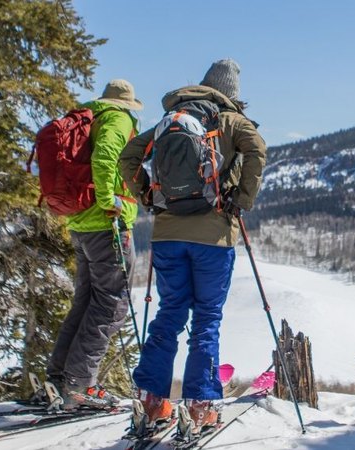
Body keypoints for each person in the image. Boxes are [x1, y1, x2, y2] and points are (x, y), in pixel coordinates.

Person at [119, 59, 266, 432]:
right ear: (232, 93)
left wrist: (149, 199)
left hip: (167, 235)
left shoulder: (172, 118)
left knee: (168, 315)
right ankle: (200, 407)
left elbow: (128, 158)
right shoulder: (230, 120)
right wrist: (242, 200)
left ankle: (151, 403)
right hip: (213, 237)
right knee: (206, 321)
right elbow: (257, 150)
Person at [46, 79, 141, 410]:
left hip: (81, 224)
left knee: (86, 300)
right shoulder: (118, 119)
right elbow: (104, 159)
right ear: (127, 103)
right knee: (112, 304)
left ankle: (59, 377)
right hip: (106, 224)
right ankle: (80, 385)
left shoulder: (91, 117)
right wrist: (108, 202)